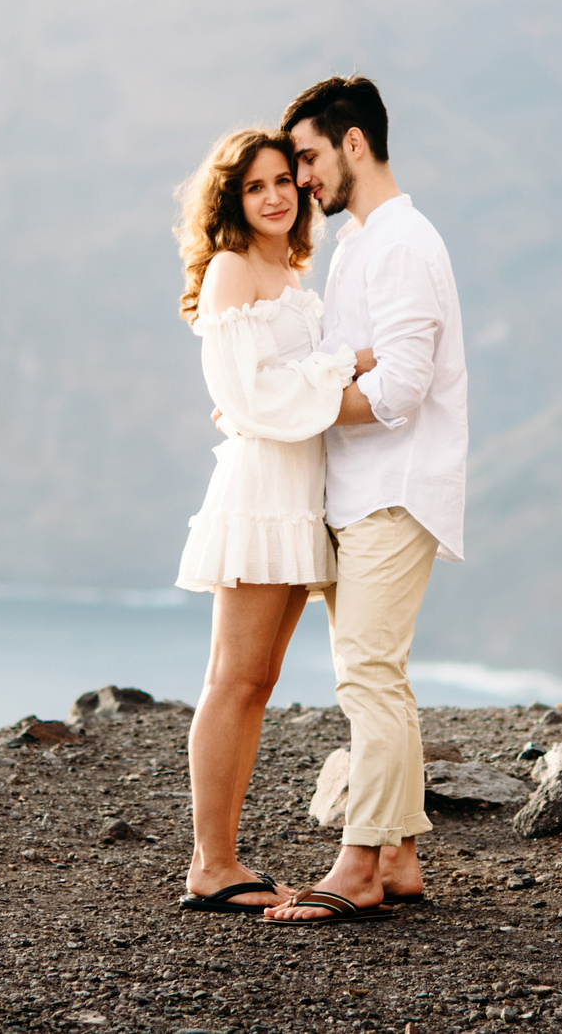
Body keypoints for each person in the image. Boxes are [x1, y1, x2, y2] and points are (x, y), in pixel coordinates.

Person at [262, 75, 468, 926]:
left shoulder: (405, 242)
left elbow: (402, 387)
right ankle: (401, 855)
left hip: (395, 488)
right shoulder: (358, 245)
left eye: (307, 157)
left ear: (353, 143)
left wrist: (299, 402)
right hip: (357, 489)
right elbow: (353, 362)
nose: (302, 178)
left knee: (368, 677)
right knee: (383, 676)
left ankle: (356, 864)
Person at [168, 128, 373, 914]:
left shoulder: (289, 274)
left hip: (301, 494)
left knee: (259, 680)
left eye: (285, 180)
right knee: (232, 679)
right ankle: (210, 863)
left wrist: (309, 376)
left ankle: (222, 858)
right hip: (261, 493)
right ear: (234, 199)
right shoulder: (229, 271)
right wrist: (340, 364)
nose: (277, 195)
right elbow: (254, 399)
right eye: (256, 186)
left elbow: (276, 393)